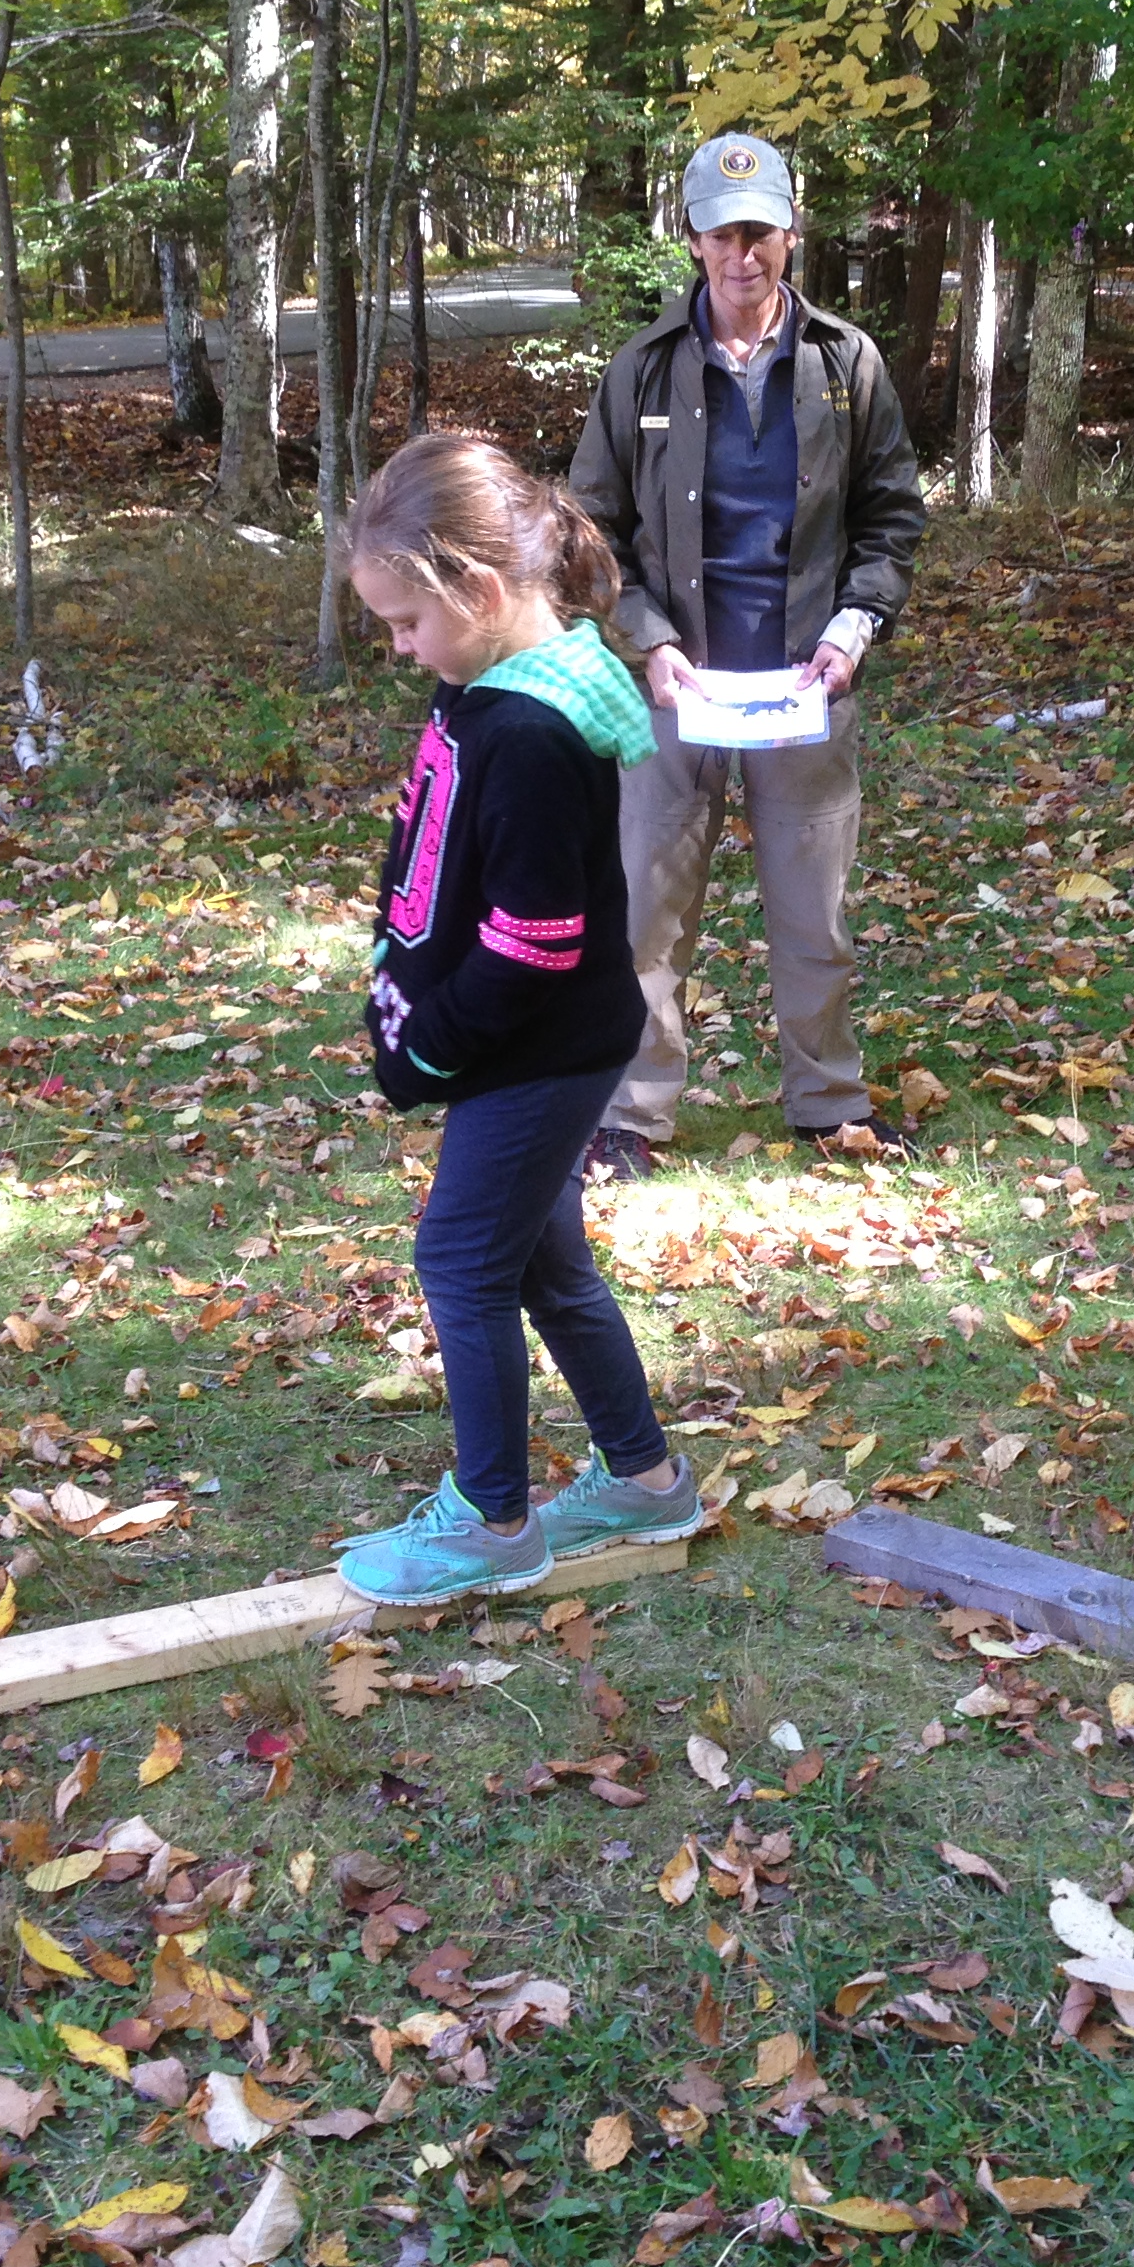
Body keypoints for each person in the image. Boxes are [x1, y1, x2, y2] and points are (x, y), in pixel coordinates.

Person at [332, 432, 705, 1605]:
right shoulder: (483, 687)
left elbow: (535, 940)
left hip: (535, 1051)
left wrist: (434, 1037)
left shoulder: (533, 731)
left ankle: (495, 1521)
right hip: (531, 1040)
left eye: (405, 622)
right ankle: (646, 1483)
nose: (400, 649)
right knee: (543, 1262)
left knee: (460, 1256)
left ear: (482, 592)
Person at [568, 131, 927, 1180]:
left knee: (814, 911)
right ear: (692, 238)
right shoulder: (640, 369)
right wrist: (650, 643)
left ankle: (827, 1104)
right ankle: (629, 1118)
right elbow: (591, 532)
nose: (744, 255)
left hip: (802, 687)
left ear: (790, 236)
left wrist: (854, 630)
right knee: (643, 911)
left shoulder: (845, 364)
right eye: (724, 235)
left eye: (761, 232)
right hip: (674, 689)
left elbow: (892, 517)